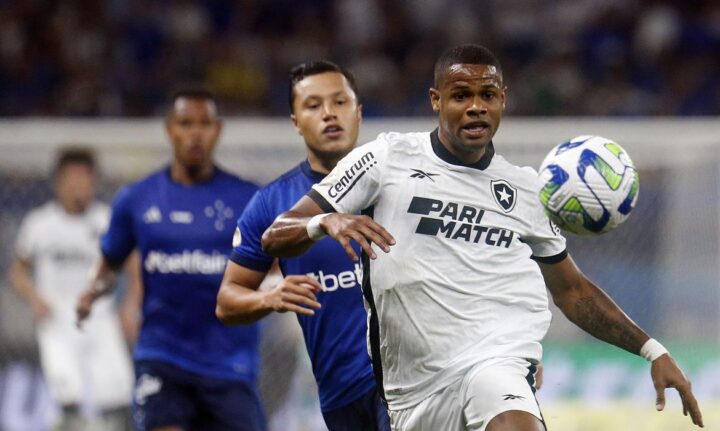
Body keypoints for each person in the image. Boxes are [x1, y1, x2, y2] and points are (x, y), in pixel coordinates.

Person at [260, 44, 704, 430]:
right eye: (461, 96)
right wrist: (324, 222)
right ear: (436, 100)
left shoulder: (529, 189)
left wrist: (651, 349)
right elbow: (275, 236)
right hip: (411, 393)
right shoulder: (385, 158)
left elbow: (572, 290)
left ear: (503, 100)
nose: (476, 107)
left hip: (497, 363)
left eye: (487, 95)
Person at [75, 88, 265, 431]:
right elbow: (108, 267)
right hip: (162, 357)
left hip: (229, 363)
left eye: (204, 124)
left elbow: (274, 268)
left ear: (217, 130)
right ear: (169, 129)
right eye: (185, 123)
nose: (195, 133)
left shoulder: (248, 199)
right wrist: (91, 292)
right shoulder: (137, 199)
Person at [215, 60, 391, 430]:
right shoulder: (272, 204)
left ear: (359, 112)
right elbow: (227, 301)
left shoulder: (402, 184)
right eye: (313, 105)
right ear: (295, 120)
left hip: (407, 383)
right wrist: (270, 297)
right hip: (340, 396)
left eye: (340, 102)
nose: (329, 114)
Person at [10, 148, 134, 431]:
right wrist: (36, 299)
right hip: (57, 320)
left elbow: (133, 265)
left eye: (85, 180)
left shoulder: (106, 221)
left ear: (94, 182)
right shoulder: (39, 224)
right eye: (71, 179)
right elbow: (18, 273)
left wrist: (129, 305)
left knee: (116, 397)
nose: (78, 187)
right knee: (68, 399)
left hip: (100, 318)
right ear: (58, 182)